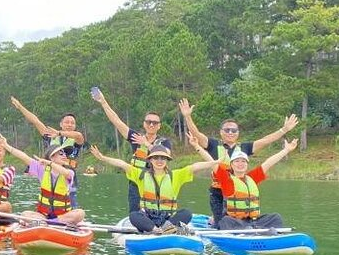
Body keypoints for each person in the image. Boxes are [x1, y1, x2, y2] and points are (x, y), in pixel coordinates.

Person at [179, 98, 298, 225]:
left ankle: (247, 223)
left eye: (234, 130)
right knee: (223, 222)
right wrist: (187, 117)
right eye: (227, 130)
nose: (230, 133)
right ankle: (217, 219)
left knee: (274, 217)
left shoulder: (245, 150)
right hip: (219, 191)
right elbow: (196, 134)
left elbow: (266, 141)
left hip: (239, 188)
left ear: (238, 133)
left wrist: (284, 130)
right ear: (221, 132)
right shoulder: (213, 145)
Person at [90, 137, 218, 234]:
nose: (159, 161)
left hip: (167, 218)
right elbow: (123, 164)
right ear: (150, 160)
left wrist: (215, 162)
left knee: (187, 213)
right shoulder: (140, 174)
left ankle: (165, 229)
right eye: (156, 158)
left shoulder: (176, 175)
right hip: (149, 218)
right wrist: (103, 158)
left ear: (167, 161)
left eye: (163, 158)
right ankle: (155, 230)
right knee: (134, 215)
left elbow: (195, 167)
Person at [91, 87, 172, 213]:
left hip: (156, 182)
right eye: (149, 122)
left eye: (155, 123)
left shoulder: (164, 142)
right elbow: (117, 121)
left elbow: (167, 154)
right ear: (144, 124)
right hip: (136, 181)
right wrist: (103, 102)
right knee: (135, 212)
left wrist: (146, 144)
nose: (151, 125)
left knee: (157, 211)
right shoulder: (136, 137)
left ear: (159, 126)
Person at [10, 96, 85, 207]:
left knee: (69, 206)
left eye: (72, 123)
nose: (69, 125)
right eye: (67, 122)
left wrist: (60, 133)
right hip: (49, 175)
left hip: (67, 177)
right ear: (61, 124)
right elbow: (35, 121)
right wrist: (20, 107)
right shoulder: (51, 136)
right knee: (47, 200)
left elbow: (78, 135)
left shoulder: (76, 138)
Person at [0, 135, 86, 225]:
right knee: (25, 214)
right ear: (52, 157)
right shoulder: (42, 169)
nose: (64, 155)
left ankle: (50, 222)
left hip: (63, 215)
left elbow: (66, 173)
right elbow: (23, 157)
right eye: (61, 153)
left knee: (80, 213)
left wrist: (49, 163)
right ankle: (45, 222)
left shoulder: (69, 171)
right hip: (44, 215)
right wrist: (6, 146)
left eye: (64, 153)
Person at [215, 139, 299, 230]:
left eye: (243, 161)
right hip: (235, 221)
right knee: (226, 220)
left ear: (247, 164)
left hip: (254, 221)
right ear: (231, 165)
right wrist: (198, 147)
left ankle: (257, 230)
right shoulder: (227, 179)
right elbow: (213, 165)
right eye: (237, 161)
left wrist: (286, 150)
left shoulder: (252, 178)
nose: (240, 164)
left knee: (276, 217)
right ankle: (247, 231)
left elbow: (268, 163)